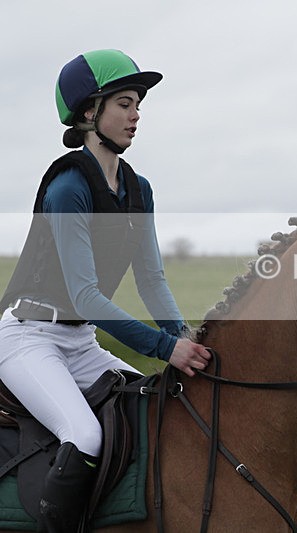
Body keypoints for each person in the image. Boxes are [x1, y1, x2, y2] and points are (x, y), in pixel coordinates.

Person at [0, 49, 211, 532]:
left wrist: (183, 337)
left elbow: (151, 278)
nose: (136, 114)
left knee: (155, 411)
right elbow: (84, 296)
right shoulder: (67, 188)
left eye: (138, 104)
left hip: (80, 343)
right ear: (90, 112)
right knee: (86, 437)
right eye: (124, 103)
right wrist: (164, 347)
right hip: (29, 339)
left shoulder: (140, 189)